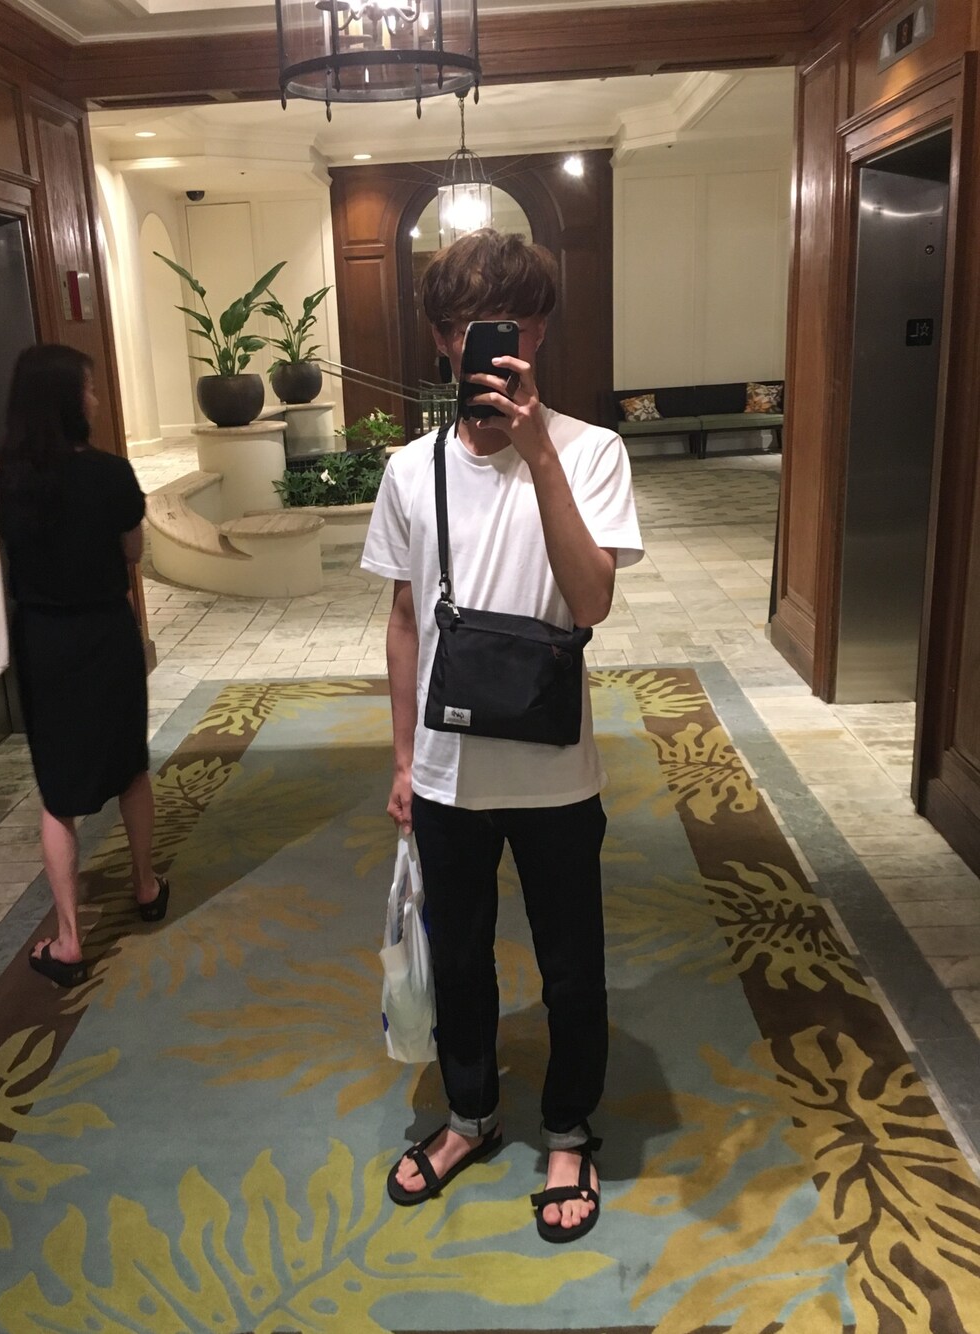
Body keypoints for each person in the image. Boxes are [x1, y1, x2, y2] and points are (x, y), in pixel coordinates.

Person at [361, 230, 643, 1243]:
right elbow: (404, 621)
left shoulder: (592, 451)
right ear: (444, 340)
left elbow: (591, 600)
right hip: (447, 773)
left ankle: (568, 1128)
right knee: (461, 960)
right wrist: (402, 759)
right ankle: (471, 1112)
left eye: (516, 325)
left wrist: (538, 454)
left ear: (541, 331)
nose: (496, 345)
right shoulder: (410, 469)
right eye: (474, 328)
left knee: (570, 965)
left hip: (557, 770)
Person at [0, 344, 169, 989]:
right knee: (130, 768)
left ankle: (69, 940)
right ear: (68, 400)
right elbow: (133, 551)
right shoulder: (110, 473)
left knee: (58, 794)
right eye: (89, 389)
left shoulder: (6, 481)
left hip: (45, 643)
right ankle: (146, 886)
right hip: (106, 635)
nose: (95, 399)